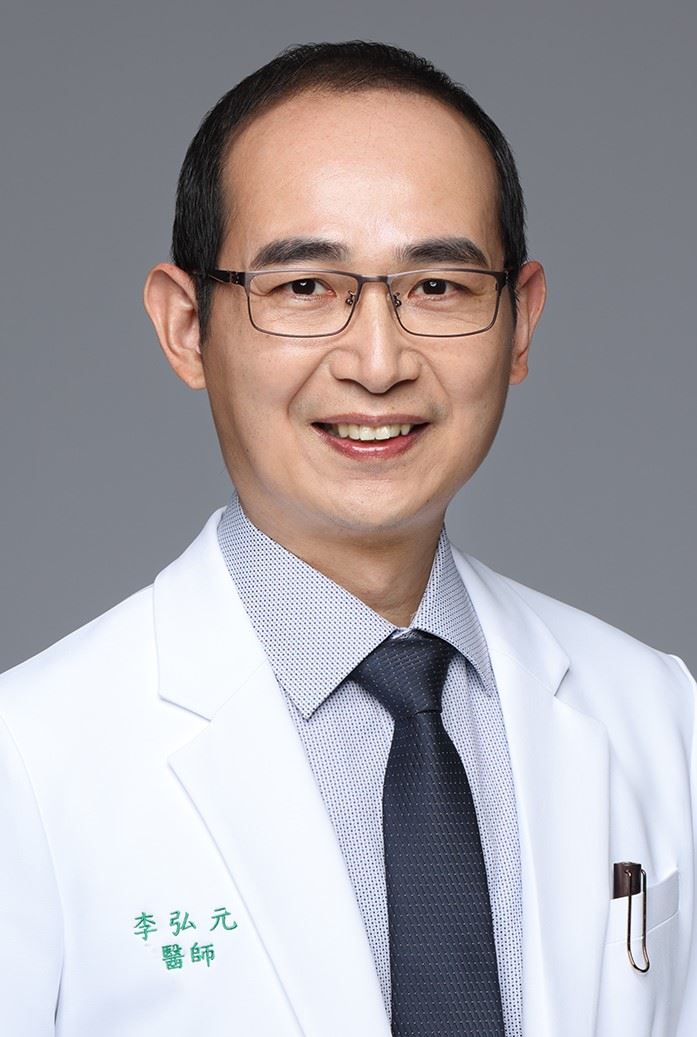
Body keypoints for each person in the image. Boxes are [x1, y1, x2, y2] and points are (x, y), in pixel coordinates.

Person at [0, 40, 694, 1037]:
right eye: (304, 287)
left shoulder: (658, 713)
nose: (377, 361)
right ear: (187, 326)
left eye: (439, 286)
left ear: (519, 322)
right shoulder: (28, 760)